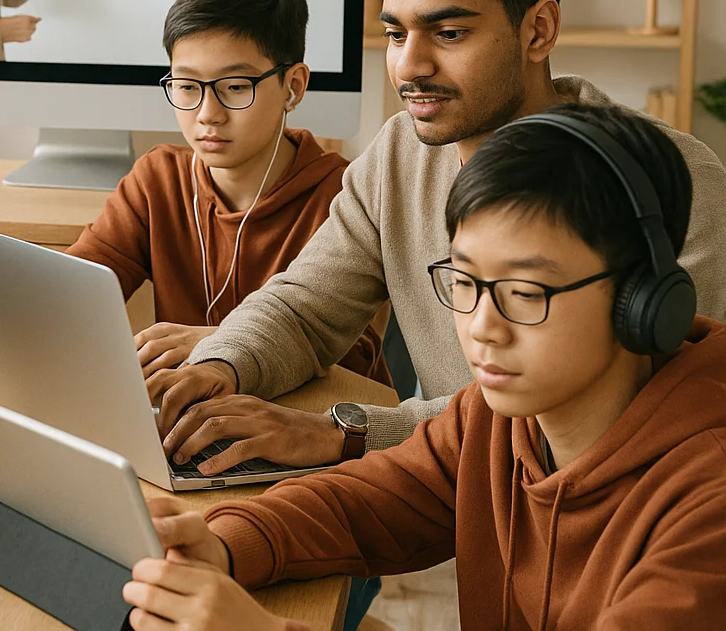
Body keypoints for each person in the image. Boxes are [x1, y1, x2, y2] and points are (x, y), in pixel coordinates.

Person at [151, 0, 726, 479]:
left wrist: (346, 431)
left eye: (448, 34)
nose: (408, 66)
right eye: (397, 34)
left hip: (610, 520)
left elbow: (618, 410)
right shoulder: (400, 151)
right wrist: (217, 368)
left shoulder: (672, 180)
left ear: (539, 31)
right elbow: (304, 309)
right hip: (449, 504)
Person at [122, 103, 726, 630]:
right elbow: (362, 503)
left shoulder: (708, 509)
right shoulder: (495, 418)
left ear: (642, 302)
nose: (481, 327)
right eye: (464, 281)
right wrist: (221, 545)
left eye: (524, 292)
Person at [67, 0, 390, 387]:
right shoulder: (157, 180)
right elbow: (73, 293)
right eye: (186, 86)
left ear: (293, 86)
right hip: (187, 417)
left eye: (235, 87)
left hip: (305, 422)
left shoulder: (343, 196)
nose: (207, 114)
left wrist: (221, 344)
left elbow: (353, 358)